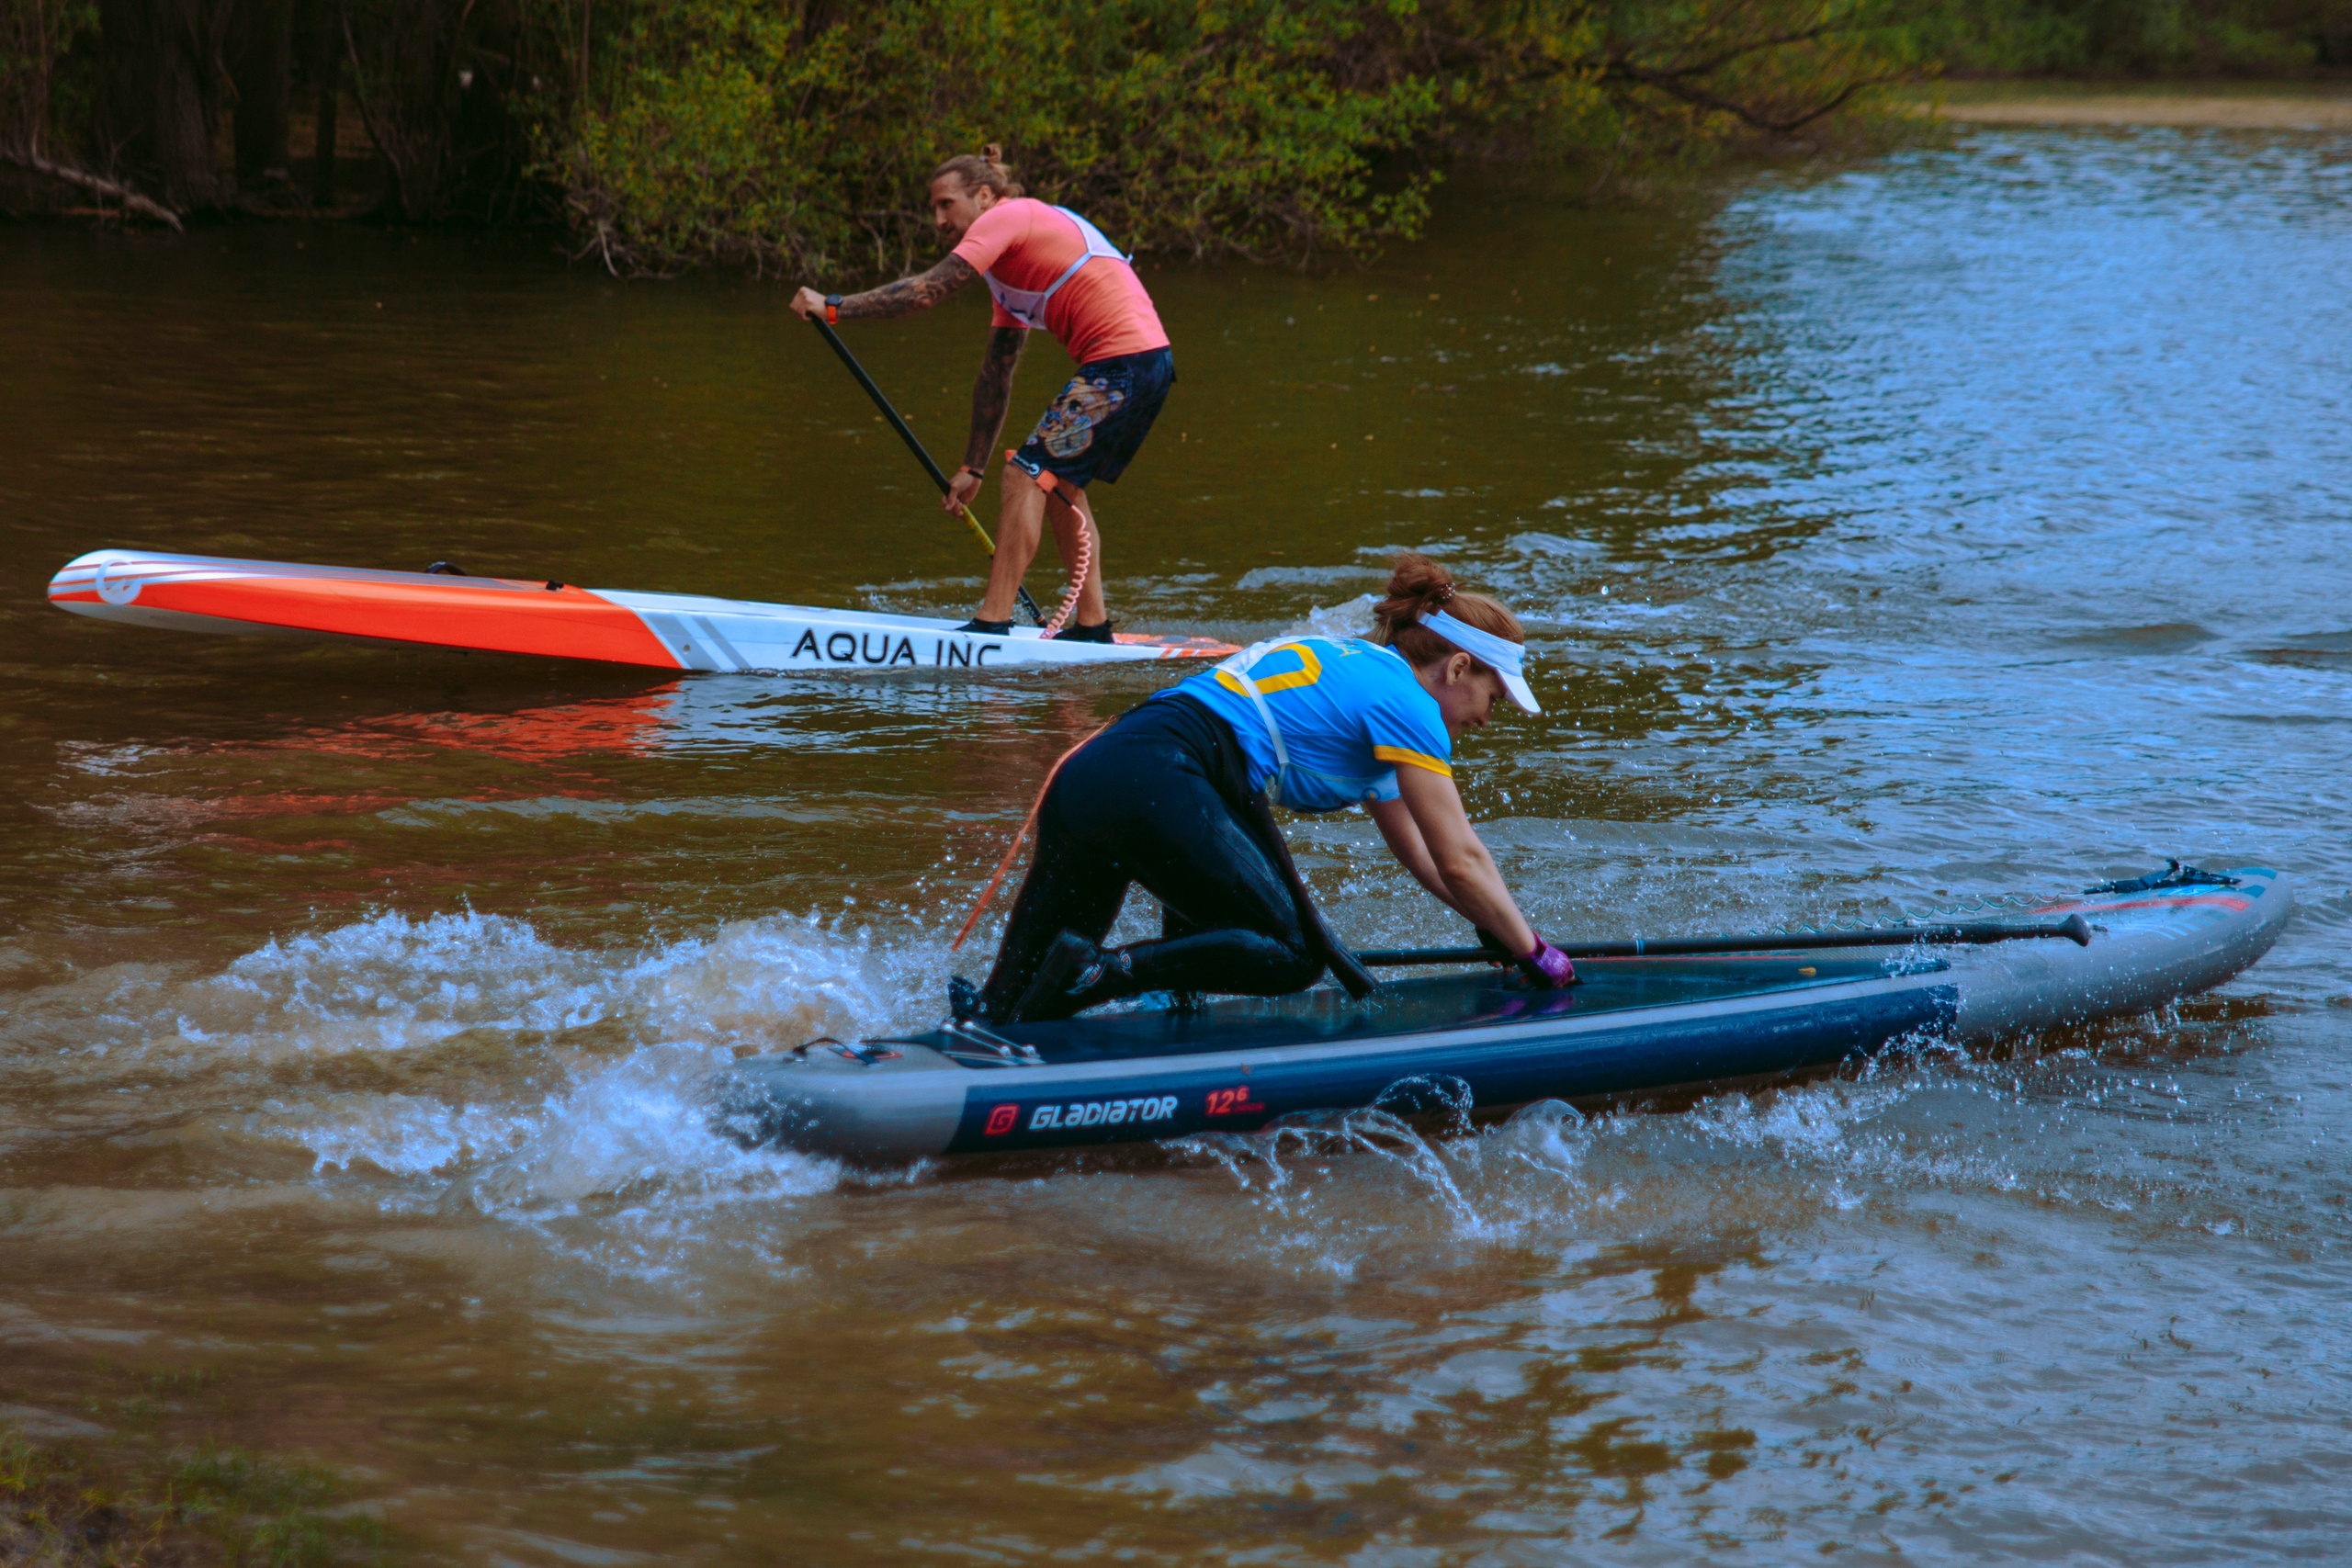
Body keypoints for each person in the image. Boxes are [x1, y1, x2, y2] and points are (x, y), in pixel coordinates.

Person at [965, 554, 1577, 1025]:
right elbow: (1461, 855)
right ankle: (1103, 974)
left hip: (1099, 770)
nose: (1486, 719)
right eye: (1494, 698)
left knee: (1015, 1007)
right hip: (1161, 772)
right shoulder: (1410, 705)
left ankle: (995, 1028)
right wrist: (1537, 951)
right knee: (1292, 953)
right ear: (1459, 667)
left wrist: (1499, 930)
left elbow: (1424, 857)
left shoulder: (1364, 672)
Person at [790, 145, 1174, 640]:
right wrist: (972, 467)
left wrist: (835, 306)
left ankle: (992, 623)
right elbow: (997, 372)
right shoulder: (1010, 266)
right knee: (1059, 485)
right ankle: (1092, 628)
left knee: (1025, 476)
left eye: (946, 204)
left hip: (1126, 362)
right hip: (1142, 363)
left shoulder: (1010, 217)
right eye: (934, 208)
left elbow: (928, 290)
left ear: (985, 196)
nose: (938, 220)